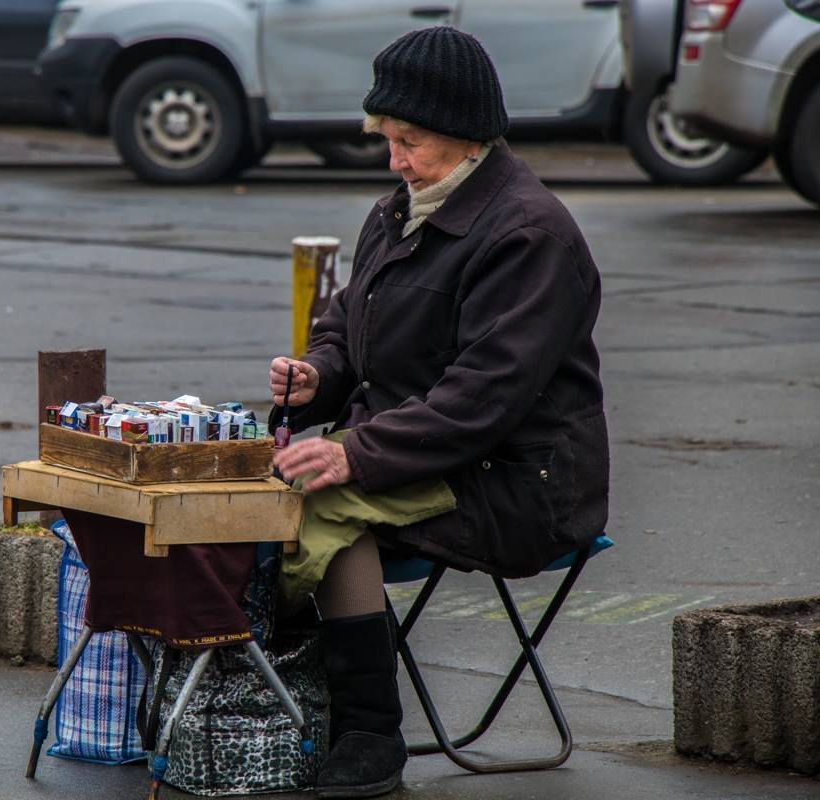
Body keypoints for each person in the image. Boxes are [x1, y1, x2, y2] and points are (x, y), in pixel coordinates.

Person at [267, 27, 609, 799]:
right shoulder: (399, 210)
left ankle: (366, 734)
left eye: (409, 142)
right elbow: (345, 328)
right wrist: (316, 375)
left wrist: (353, 454)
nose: (394, 160)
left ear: (466, 136)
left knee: (320, 510)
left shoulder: (528, 234)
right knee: (259, 496)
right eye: (386, 139)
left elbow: (483, 396)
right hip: (421, 455)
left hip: (516, 482)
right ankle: (284, 703)